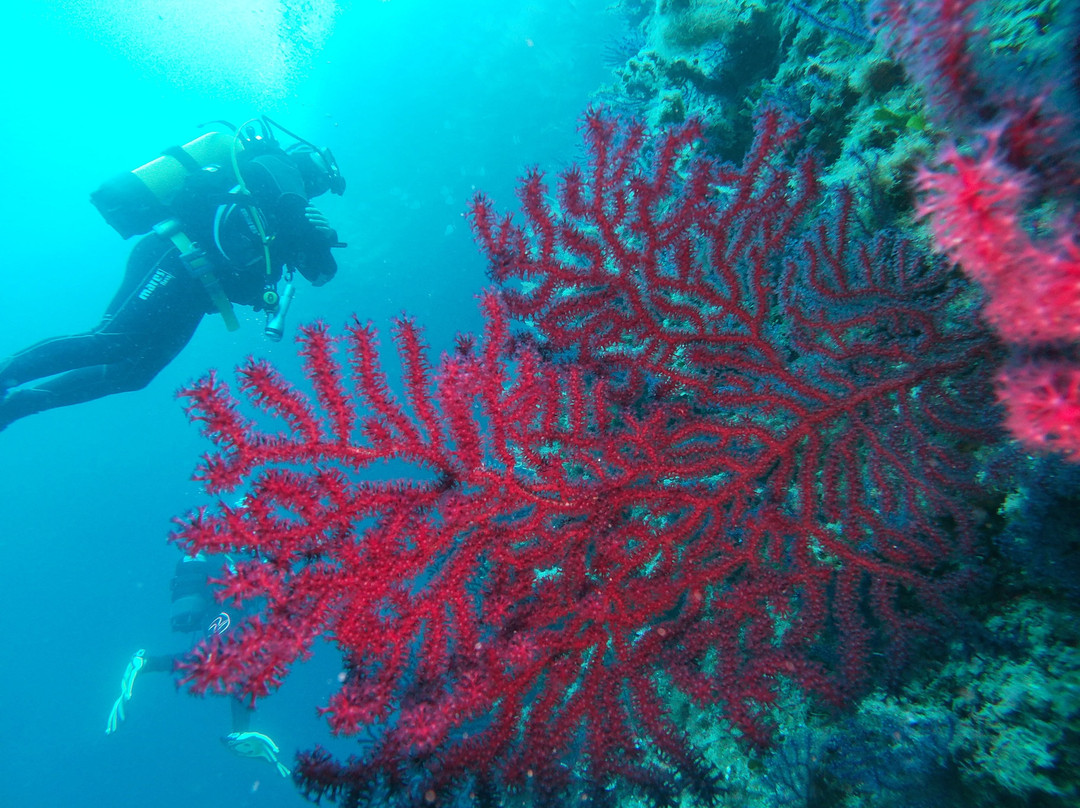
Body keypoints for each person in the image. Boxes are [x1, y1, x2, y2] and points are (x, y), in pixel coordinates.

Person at [0, 117, 346, 432]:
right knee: (113, 339)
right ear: (308, 165)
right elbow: (316, 258)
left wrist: (318, 240)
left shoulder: (280, 208)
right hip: (175, 256)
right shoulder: (277, 168)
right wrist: (319, 237)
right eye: (321, 180)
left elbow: (318, 273)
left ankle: (16, 407)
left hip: (200, 290)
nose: (318, 190)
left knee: (134, 373)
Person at [105, 553, 292, 778]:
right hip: (224, 609)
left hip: (224, 611)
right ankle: (239, 731)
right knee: (226, 662)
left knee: (219, 663)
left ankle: (145, 664)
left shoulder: (238, 556)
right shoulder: (238, 556)